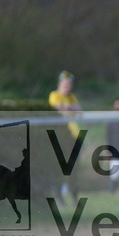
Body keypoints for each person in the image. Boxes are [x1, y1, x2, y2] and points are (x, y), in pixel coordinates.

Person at [48, 71, 82, 204]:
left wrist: (68, 108)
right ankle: (58, 195)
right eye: (65, 83)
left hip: (74, 136)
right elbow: (57, 109)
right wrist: (67, 108)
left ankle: (74, 196)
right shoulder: (54, 95)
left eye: (70, 84)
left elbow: (79, 110)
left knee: (74, 168)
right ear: (60, 83)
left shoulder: (72, 97)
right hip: (61, 137)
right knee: (60, 167)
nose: (68, 86)